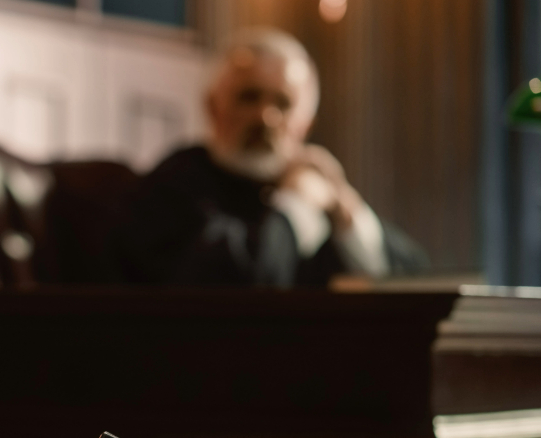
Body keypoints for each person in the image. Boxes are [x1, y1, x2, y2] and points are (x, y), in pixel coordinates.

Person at [118, 29, 427, 286]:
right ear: (213, 107)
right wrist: (297, 206)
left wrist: (346, 212)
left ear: (306, 124)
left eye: (284, 102)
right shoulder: (177, 182)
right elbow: (238, 283)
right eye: (248, 97)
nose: (265, 117)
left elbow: (414, 281)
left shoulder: (318, 188)